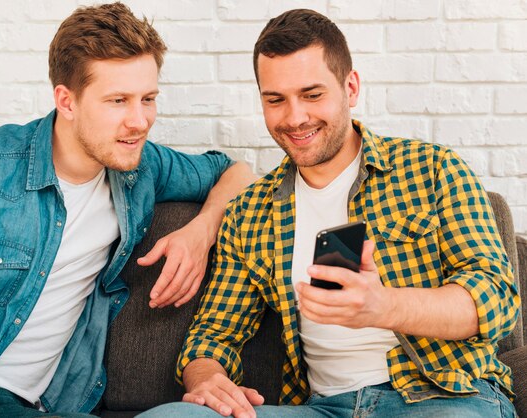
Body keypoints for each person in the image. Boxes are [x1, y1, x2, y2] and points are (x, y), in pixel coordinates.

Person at [140, 8, 520, 418]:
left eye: (312, 94)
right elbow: (213, 336)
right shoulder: (250, 214)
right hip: (321, 410)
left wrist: (384, 306)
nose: (295, 117)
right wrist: (206, 378)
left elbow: (496, 299)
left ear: (350, 87)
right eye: (275, 100)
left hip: (441, 398)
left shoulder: (433, 170)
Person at [0, 3, 255, 417]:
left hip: (24, 406)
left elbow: (237, 171)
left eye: (148, 99)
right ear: (66, 101)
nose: (139, 121)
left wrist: (201, 231)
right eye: (118, 100)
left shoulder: (141, 168)